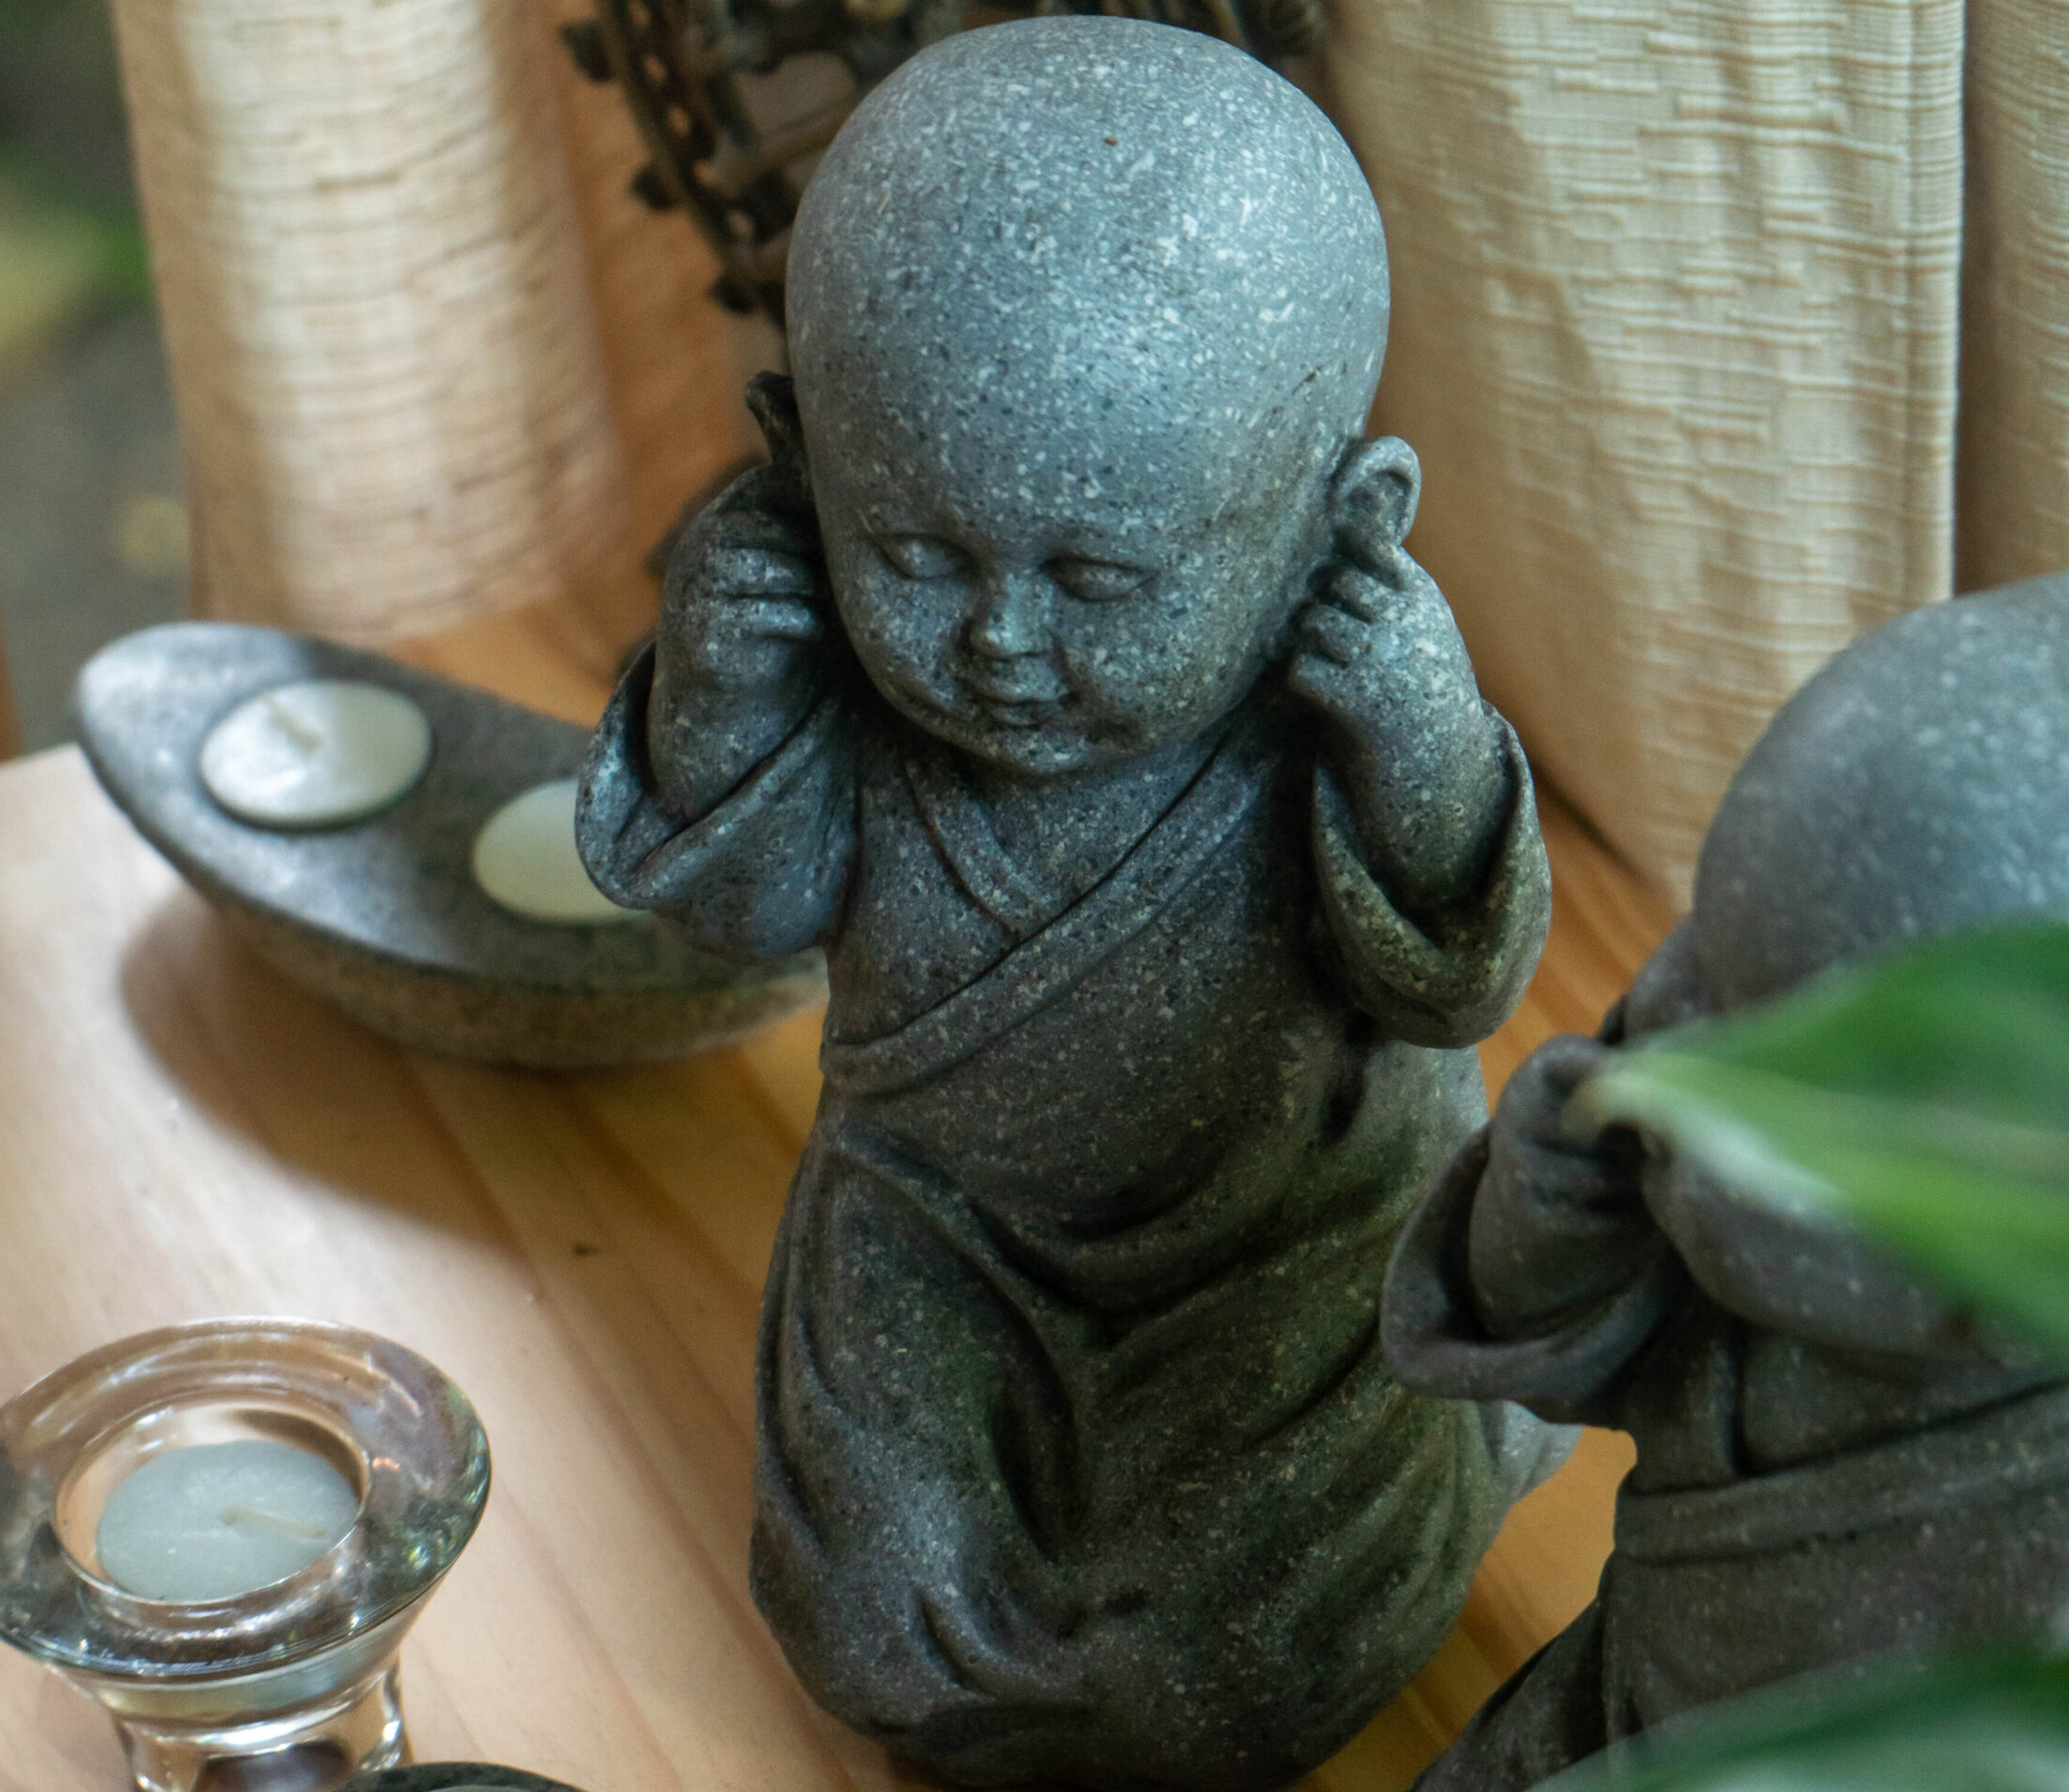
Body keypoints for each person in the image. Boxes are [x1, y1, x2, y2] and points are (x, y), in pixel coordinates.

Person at [580, 19, 1562, 1788]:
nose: (1002, 641)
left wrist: (1421, 746)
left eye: (1100, 575)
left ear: (1337, 524)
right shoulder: (875, 710)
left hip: (1286, 1238)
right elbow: (735, 914)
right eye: (914, 553)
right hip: (932, 1235)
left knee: (1225, 1670)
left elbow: (1448, 987)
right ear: (804, 466)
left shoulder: (1318, 709)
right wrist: (716, 694)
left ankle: (1460, 1443)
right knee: (879, 1626)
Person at [1385, 575, 2069, 1792]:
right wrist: (1553, 1196)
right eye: (1705, 967)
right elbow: (1527, 1351)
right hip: (1619, 1710)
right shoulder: (1685, 1134)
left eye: (1813, 1088)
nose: (1697, 1068)